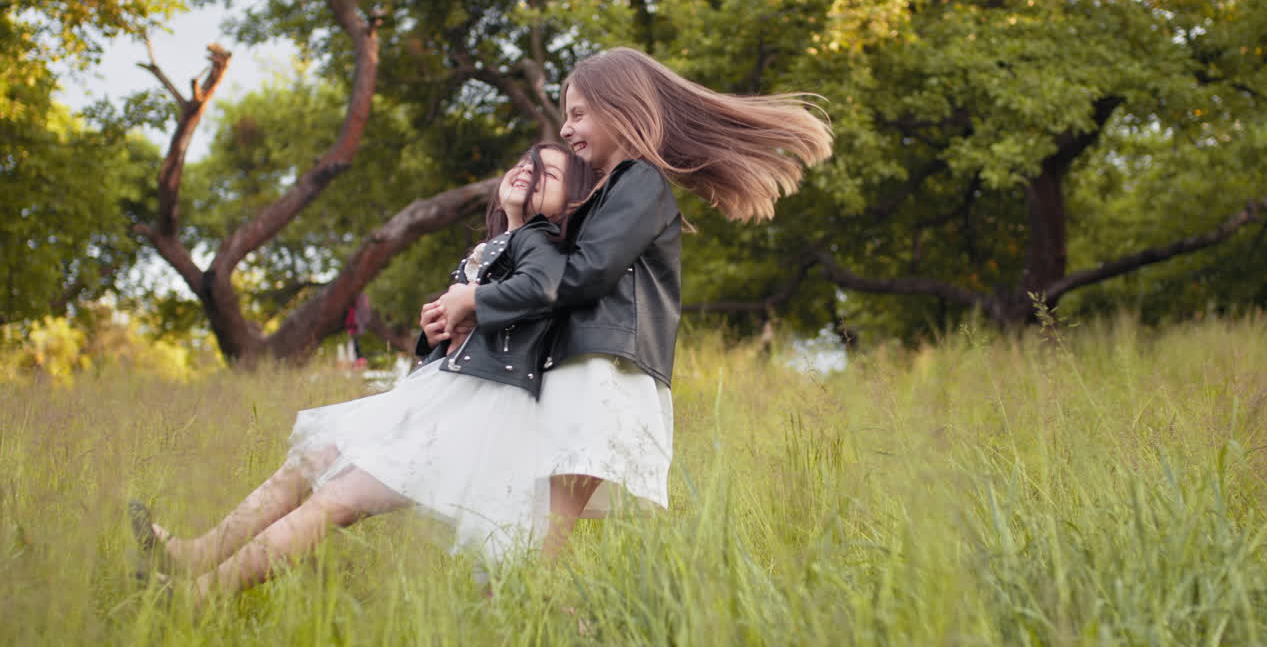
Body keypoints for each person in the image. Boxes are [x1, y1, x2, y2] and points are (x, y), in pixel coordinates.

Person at [129, 142, 594, 600]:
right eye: (522, 163)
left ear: (567, 204)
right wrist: (435, 330)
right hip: (435, 395)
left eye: (547, 175)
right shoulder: (489, 248)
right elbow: (464, 331)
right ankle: (197, 555)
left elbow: (541, 288)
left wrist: (472, 303)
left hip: (469, 411)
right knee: (307, 465)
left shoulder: (540, 242)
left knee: (337, 497)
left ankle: (204, 594)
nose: (527, 173)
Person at [437, 46, 833, 559]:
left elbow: (584, 276)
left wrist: (480, 299)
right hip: (584, 369)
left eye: (578, 113)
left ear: (621, 108)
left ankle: (535, 612)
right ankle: (553, 617)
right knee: (533, 536)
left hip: (602, 373)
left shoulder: (639, 181)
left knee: (538, 541)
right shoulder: (614, 190)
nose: (565, 129)